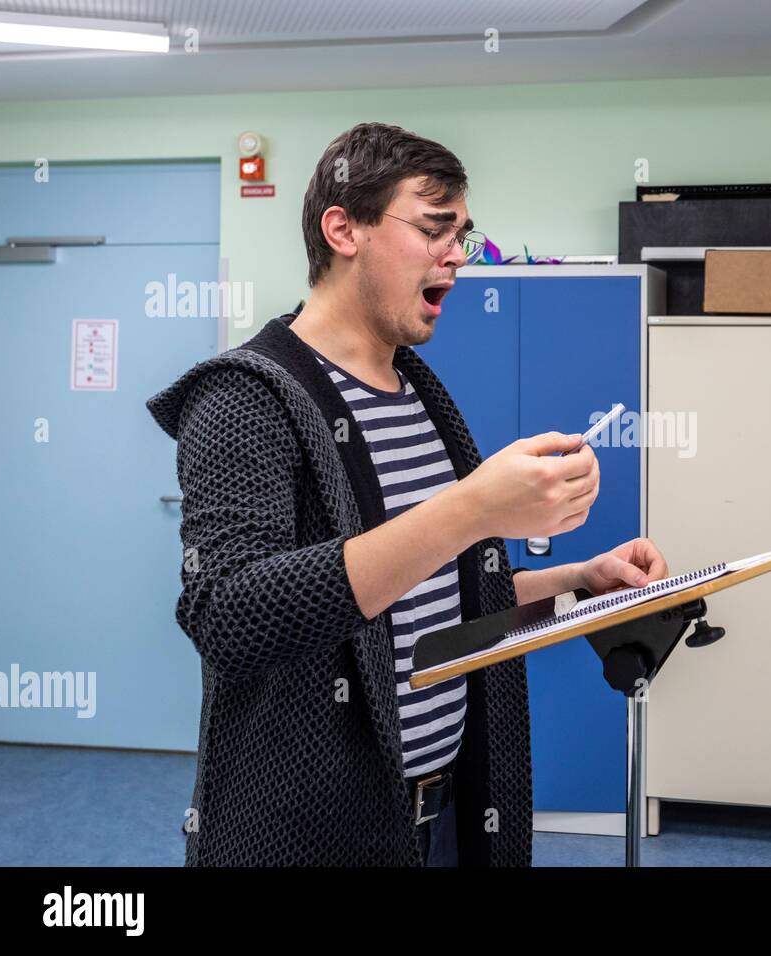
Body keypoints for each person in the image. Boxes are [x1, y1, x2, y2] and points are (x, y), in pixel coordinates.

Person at [146, 122, 668, 867]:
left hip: (445, 816)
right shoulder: (243, 397)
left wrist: (579, 583)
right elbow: (228, 613)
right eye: (432, 228)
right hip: (311, 837)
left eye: (463, 233)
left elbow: (433, 602)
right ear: (343, 229)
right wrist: (472, 509)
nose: (457, 254)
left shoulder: (419, 394)